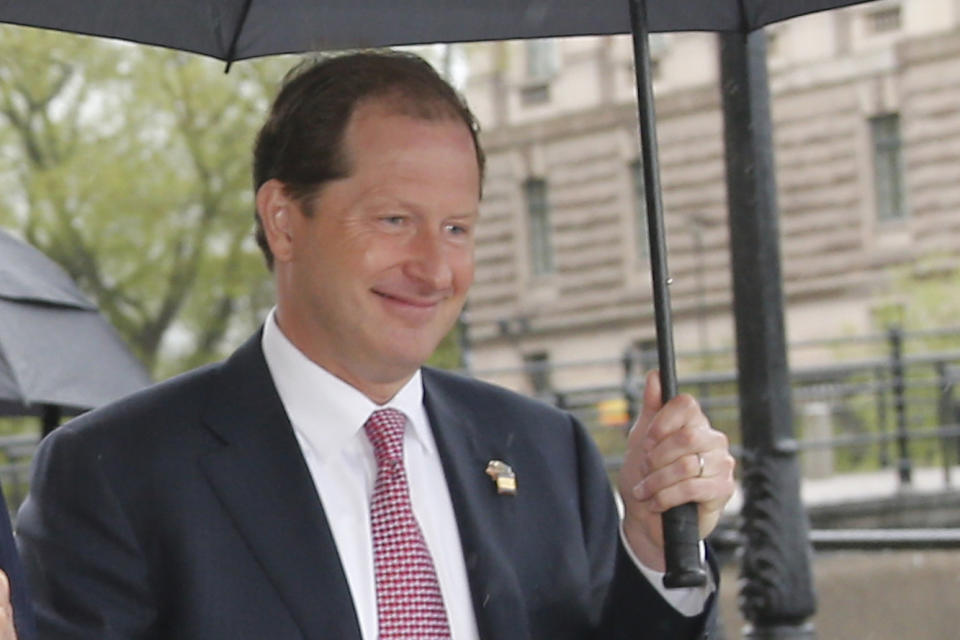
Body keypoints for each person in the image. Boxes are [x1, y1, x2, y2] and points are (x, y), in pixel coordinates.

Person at [16, 50, 735, 639]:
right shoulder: (118, 475)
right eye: (395, 220)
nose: (434, 268)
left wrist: (650, 547)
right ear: (284, 222)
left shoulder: (545, 452)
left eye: (457, 228)